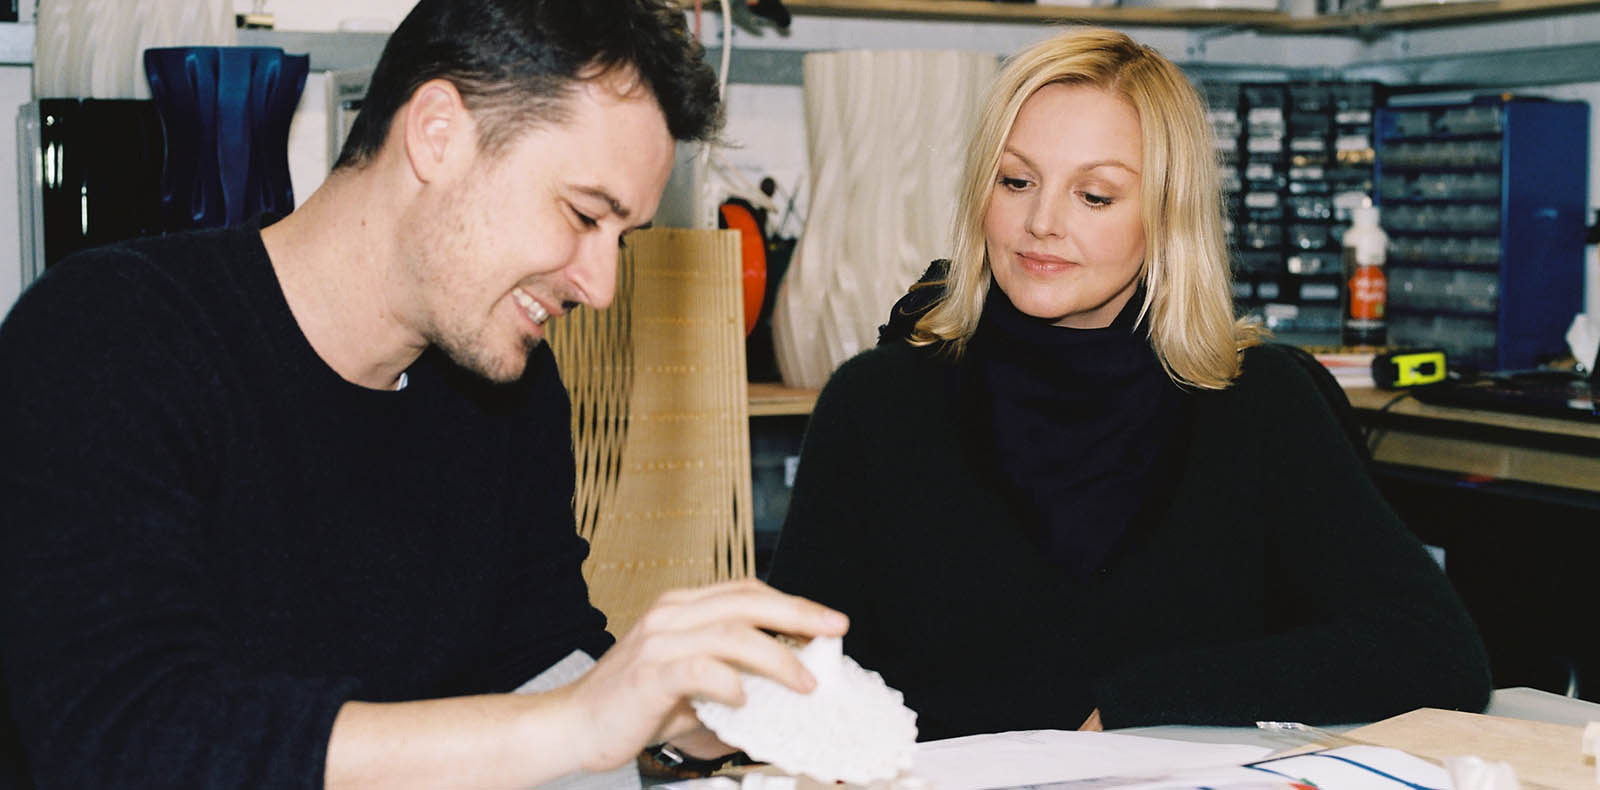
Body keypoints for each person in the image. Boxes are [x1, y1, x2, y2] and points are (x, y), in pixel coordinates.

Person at [0, 1, 847, 787]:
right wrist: (579, 720)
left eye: (623, 238)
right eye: (584, 215)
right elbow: (125, 736)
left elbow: (540, 661)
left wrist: (686, 718)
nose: (601, 288)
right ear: (438, 134)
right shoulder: (112, 335)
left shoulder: (508, 391)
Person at [765, 27, 1490, 742]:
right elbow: (789, 682)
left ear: (1167, 215)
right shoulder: (876, 402)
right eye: (1016, 182)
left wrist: (1145, 700)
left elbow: (1434, 650)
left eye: (1096, 195)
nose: (1041, 222)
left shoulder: (1260, 400)